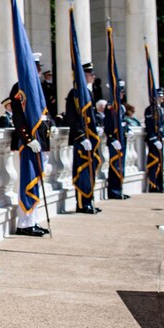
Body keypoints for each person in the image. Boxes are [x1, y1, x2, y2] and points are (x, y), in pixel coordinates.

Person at [8, 76, 50, 236]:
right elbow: (18, 116)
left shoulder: (35, 85)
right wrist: (28, 139)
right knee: (27, 182)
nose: (37, 71)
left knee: (36, 184)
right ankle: (24, 223)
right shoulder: (20, 87)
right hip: (29, 144)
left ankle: (32, 220)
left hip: (40, 142)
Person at [64, 62, 101, 214]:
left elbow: (91, 116)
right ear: (84, 75)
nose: (93, 76)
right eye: (91, 74)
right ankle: (82, 203)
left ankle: (89, 200)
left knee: (90, 171)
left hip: (89, 138)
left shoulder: (87, 93)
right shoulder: (75, 93)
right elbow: (72, 118)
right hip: (81, 140)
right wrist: (80, 135)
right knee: (83, 171)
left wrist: (96, 126)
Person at [144, 88, 164, 192]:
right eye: (159, 96)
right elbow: (149, 126)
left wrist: (163, 136)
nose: (162, 98)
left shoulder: (160, 109)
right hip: (153, 140)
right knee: (154, 163)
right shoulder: (150, 109)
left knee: (160, 163)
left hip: (159, 139)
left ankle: (160, 185)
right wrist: (154, 139)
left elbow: (161, 125)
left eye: (162, 96)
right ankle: (153, 185)